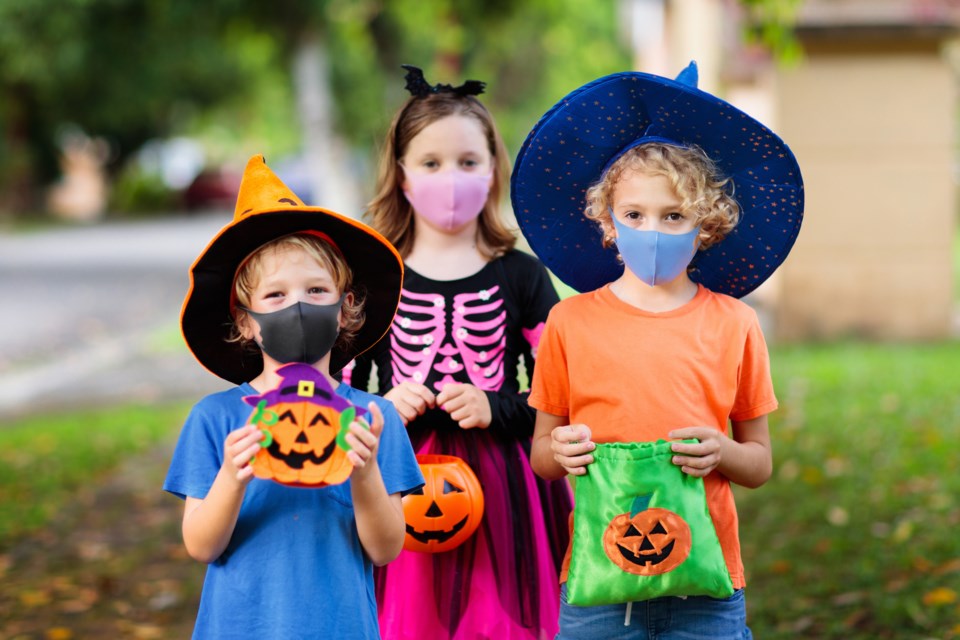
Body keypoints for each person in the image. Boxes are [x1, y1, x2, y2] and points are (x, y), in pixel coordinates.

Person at [511, 62, 804, 638]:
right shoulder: (569, 323)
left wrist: (721, 450)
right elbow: (542, 456)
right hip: (599, 584)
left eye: (674, 217)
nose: (654, 231)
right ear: (607, 222)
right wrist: (561, 452)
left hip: (707, 584)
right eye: (635, 215)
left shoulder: (735, 324)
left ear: (708, 225)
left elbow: (759, 463)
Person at [346, 65, 574, 639]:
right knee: (408, 617)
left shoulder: (521, 275)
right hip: (399, 474)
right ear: (401, 175)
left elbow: (565, 392)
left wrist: (498, 407)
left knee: (503, 618)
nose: (451, 178)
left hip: (506, 477)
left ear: (493, 171)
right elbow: (330, 394)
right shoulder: (375, 279)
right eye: (431, 163)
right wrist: (380, 408)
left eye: (468, 162)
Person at [164, 154, 424, 639]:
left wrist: (364, 474)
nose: (298, 306)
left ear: (346, 308)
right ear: (245, 320)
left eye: (316, 290)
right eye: (275, 296)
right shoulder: (215, 419)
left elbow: (386, 549)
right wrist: (231, 477)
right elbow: (201, 545)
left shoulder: (373, 417)